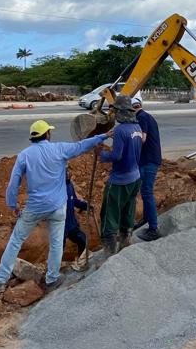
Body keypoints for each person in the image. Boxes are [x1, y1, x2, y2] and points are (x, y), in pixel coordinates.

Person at [0, 120, 110, 293]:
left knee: (15, 241)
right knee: (55, 243)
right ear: (47, 134)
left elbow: (13, 184)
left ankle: (0, 280)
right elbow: (82, 146)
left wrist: (12, 205)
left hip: (35, 207)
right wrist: (103, 135)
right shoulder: (59, 149)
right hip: (57, 207)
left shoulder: (24, 155)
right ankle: (52, 278)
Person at [99, 95, 144, 255]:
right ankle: (125, 242)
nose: (114, 113)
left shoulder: (120, 130)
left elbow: (117, 156)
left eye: (116, 111)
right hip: (135, 177)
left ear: (121, 112)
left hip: (119, 180)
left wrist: (103, 155)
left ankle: (109, 251)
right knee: (128, 210)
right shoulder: (137, 128)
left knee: (109, 213)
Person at [132, 97, 162, 241]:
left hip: (148, 161)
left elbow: (142, 138)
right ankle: (146, 218)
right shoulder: (146, 116)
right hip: (148, 159)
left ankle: (153, 229)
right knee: (144, 192)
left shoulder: (142, 117)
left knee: (146, 192)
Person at [63, 175, 91, 271]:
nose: (67, 174)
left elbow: (74, 201)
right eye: (65, 172)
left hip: (71, 224)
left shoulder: (69, 185)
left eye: (68, 171)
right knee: (58, 250)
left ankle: (80, 263)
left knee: (83, 240)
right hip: (60, 227)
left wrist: (86, 205)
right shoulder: (56, 187)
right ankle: (54, 274)